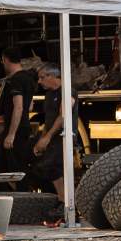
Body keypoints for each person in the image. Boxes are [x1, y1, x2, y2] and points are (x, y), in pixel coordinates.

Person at [28, 63, 71, 197]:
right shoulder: (48, 96)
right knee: (39, 166)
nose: (39, 81)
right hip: (51, 137)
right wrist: (42, 139)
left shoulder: (68, 91)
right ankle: (58, 199)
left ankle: (67, 201)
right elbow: (48, 120)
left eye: (42, 77)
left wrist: (47, 137)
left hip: (64, 137)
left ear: (52, 76)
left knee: (51, 166)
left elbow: (63, 115)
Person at [0, 54, 39, 179]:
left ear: (5, 60)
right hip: (23, 126)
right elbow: (29, 106)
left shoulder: (15, 80)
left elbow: (18, 107)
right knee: (3, 168)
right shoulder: (29, 79)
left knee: (15, 170)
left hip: (15, 130)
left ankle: (20, 195)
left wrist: (11, 134)